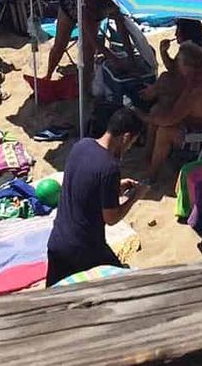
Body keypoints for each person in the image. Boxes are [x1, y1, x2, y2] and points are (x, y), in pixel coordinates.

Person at [45, 107, 144, 285]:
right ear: (126, 137)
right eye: (130, 144)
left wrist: (115, 188)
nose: (128, 148)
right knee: (123, 285)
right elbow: (111, 218)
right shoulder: (110, 168)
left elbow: (82, 184)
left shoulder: (82, 145)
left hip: (58, 240)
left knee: (49, 302)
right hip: (85, 249)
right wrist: (135, 197)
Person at [138, 42, 202, 181]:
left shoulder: (195, 89)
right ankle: (148, 156)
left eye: (178, 60)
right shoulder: (199, 76)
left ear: (186, 66)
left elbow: (169, 120)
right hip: (201, 123)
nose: (176, 63)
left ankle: (151, 175)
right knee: (158, 110)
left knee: (164, 131)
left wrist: (143, 117)